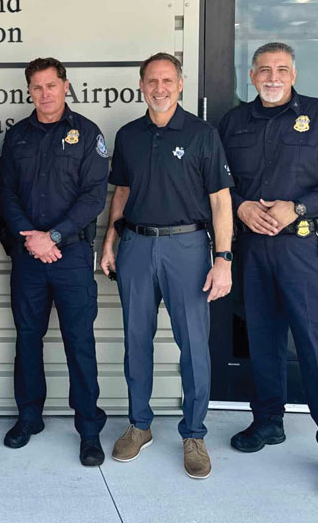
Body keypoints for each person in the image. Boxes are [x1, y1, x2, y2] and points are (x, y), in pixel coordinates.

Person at [218, 42, 318, 498]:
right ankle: (268, 420)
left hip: (305, 249)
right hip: (254, 249)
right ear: (251, 76)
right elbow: (216, 181)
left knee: (317, 347)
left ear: (294, 74)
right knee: (263, 341)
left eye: (281, 69)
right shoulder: (233, 122)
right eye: (264, 70)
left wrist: (299, 207)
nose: (272, 77)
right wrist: (240, 206)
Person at [100, 52, 233, 479]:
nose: (160, 88)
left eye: (167, 80)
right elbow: (121, 192)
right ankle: (139, 425)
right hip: (136, 246)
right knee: (136, 339)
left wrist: (223, 259)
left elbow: (220, 201)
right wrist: (109, 241)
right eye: (152, 81)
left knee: (193, 344)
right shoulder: (128, 135)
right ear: (141, 85)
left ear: (180, 84)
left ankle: (193, 433)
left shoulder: (202, 134)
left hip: (187, 247)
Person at [0, 57, 108, 466]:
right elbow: (5, 193)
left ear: (65, 86)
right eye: (37, 87)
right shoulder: (18, 137)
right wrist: (31, 237)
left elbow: (94, 197)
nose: (45, 94)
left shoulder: (87, 134)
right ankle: (29, 417)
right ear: (29, 91)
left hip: (71, 255)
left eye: (51, 85)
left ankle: (89, 428)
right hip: (29, 256)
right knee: (28, 338)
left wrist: (54, 236)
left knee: (79, 341)